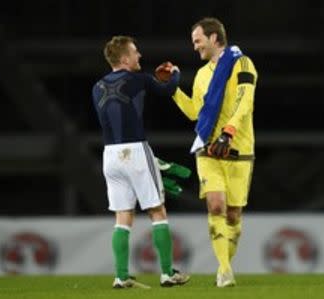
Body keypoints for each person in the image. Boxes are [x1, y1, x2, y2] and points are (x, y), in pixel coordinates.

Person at [91, 35, 190, 289]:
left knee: (123, 217)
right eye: (135, 53)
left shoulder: (97, 86)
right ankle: (168, 273)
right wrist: (176, 73)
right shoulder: (138, 79)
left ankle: (121, 276)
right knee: (157, 211)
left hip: (110, 156)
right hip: (135, 150)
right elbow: (167, 89)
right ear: (124, 58)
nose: (139, 56)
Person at [171, 18, 257, 287]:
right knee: (216, 205)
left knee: (233, 215)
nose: (195, 47)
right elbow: (196, 113)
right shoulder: (200, 75)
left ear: (214, 38)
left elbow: (246, 100)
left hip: (238, 149)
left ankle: (225, 265)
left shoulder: (242, 63)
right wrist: (172, 89)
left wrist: (229, 130)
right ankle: (224, 270)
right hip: (209, 149)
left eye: (198, 40)